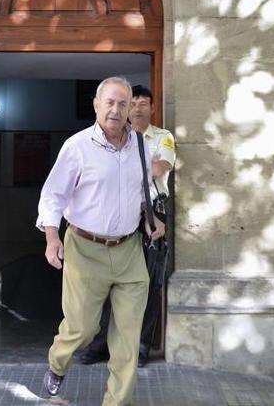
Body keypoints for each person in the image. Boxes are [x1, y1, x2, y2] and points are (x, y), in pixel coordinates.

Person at [37, 76, 165, 405]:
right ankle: (57, 363)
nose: (116, 109)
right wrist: (52, 237)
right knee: (82, 328)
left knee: (126, 338)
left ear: (131, 109)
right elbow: (53, 195)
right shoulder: (77, 147)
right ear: (96, 106)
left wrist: (152, 218)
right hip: (84, 248)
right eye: (109, 102)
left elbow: (144, 190)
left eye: (123, 103)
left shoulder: (141, 145)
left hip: (129, 251)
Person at [77, 84, 175, 367]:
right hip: (122, 211)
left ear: (152, 108)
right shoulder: (116, 139)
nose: (138, 107)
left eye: (145, 102)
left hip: (153, 212)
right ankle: (100, 345)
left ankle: (141, 345)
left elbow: (158, 169)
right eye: (134, 103)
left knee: (148, 281)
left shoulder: (163, 138)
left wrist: (132, 167)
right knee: (107, 281)